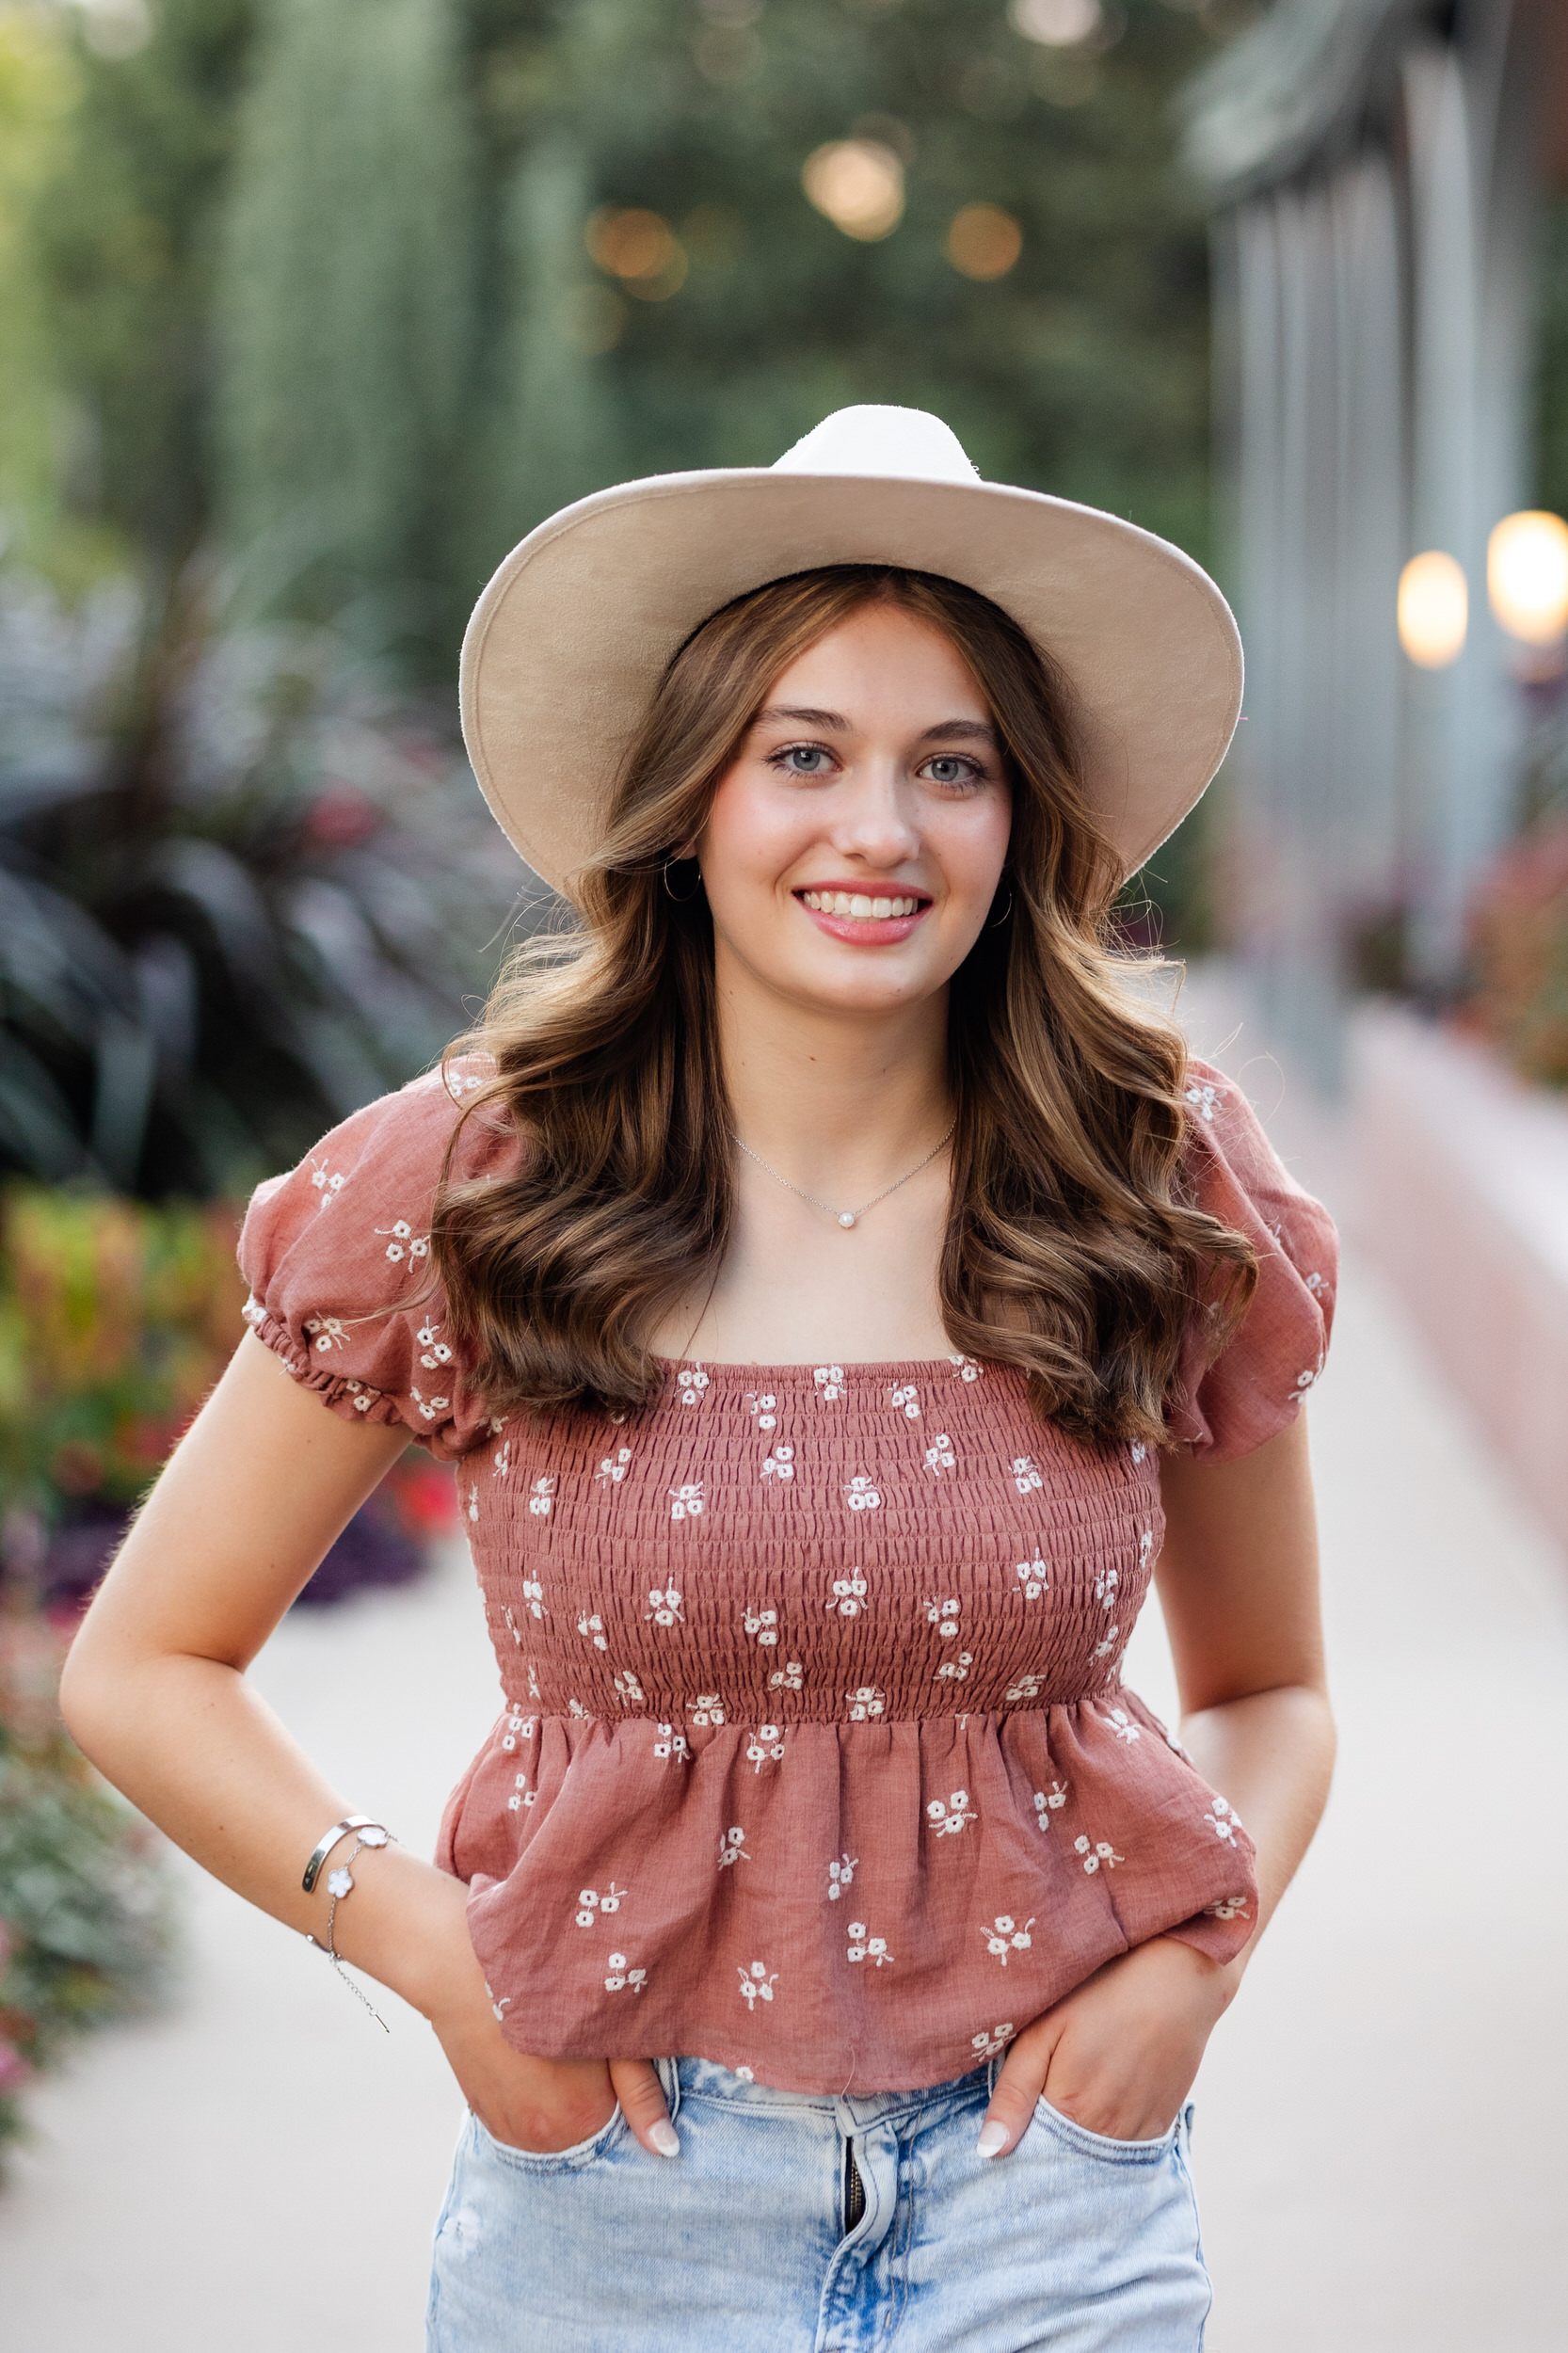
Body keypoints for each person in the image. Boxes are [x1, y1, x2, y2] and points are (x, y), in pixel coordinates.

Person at [61, 406, 1337, 2352]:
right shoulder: (478, 1177)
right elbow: (140, 1663)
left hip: (1046, 2194)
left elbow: (1269, 1693)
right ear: (688, 801)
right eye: (801, 753)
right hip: (620, 2208)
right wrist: (432, 1954)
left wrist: (1190, 1971)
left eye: (951, 767)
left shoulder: (1145, 1176)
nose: (878, 830)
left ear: (1021, 817)